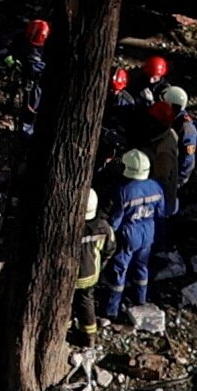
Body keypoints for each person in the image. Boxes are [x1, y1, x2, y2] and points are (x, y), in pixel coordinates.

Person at [103, 148, 167, 321]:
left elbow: (116, 219)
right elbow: (161, 213)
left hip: (129, 234)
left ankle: (111, 309)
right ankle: (140, 299)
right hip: (149, 233)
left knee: (119, 269)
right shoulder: (156, 187)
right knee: (141, 267)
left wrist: (110, 233)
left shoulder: (124, 190)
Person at [71, 189, 111, 348]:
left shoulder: (68, 227)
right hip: (90, 275)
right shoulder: (103, 227)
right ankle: (89, 338)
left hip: (69, 277)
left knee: (65, 304)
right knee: (86, 303)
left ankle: (64, 330)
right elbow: (110, 248)